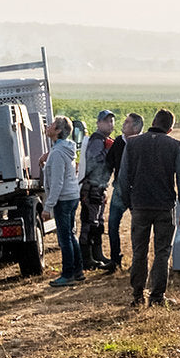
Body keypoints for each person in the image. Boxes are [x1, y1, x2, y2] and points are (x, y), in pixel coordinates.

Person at [124, 108, 180, 307]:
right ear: (170, 129)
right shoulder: (175, 146)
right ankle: (157, 297)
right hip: (164, 207)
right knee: (162, 252)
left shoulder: (133, 143)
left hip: (140, 206)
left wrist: (130, 204)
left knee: (139, 252)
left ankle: (137, 296)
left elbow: (123, 178)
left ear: (152, 122)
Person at [40, 114, 85, 287]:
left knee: (64, 238)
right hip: (71, 196)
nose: (48, 126)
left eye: (52, 124)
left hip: (64, 199)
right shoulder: (62, 149)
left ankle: (67, 274)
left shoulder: (58, 153)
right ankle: (78, 270)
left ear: (58, 131)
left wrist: (47, 206)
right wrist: (45, 163)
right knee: (70, 235)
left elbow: (57, 183)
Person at [105, 112, 145, 271]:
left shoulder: (144, 143)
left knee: (139, 227)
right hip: (119, 191)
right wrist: (101, 186)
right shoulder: (118, 143)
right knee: (112, 225)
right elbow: (108, 165)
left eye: (127, 122)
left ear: (136, 127)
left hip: (137, 192)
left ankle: (138, 261)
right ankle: (115, 260)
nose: (123, 124)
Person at [78, 108, 117, 270]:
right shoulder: (97, 140)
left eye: (112, 120)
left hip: (100, 187)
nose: (110, 123)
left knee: (98, 223)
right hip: (92, 187)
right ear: (98, 123)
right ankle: (86, 259)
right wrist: (109, 151)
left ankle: (97, 254)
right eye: (107, 121)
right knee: (89, 222)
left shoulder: (104, 140)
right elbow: (94, 160)